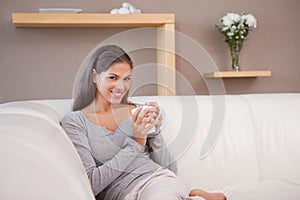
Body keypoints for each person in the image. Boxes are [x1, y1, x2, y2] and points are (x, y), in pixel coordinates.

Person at [60, 44, 226, 200]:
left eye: (127, 78)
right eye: (113, 77)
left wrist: (155, 132)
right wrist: (137, 143)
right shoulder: (75, 122)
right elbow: (92, 184)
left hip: (156, 181)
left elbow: (170, 170)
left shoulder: (137, 111)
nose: (121, 86)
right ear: (95, 76)